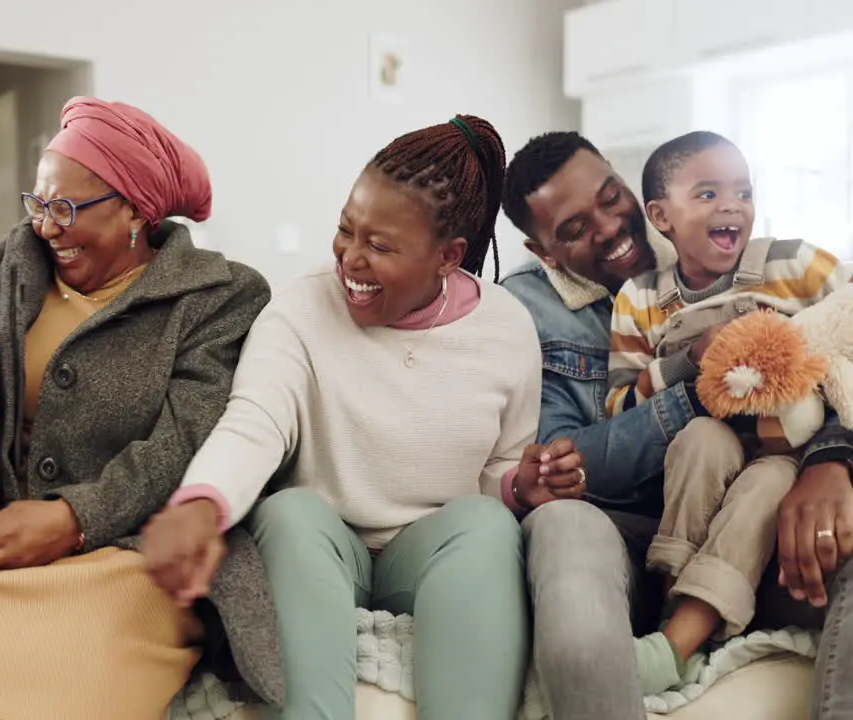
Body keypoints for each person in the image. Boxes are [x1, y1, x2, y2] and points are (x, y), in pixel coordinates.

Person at [142, 115, 584, 720]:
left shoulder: (505, 328)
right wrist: (200, 503)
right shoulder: (300, 308)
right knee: (291, 511)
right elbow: (255, 421)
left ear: (448, 257)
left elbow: (499, 469)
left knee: (486, 525)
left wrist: (520, 485)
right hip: (324, 547)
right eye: (346, 231)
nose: (351, 258)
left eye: (379, 245)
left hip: (429, 552)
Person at [0, 96, 275, 720]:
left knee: (82, 674)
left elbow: (185, 440)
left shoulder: (218, 296)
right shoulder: (17, 259)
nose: (46, 226)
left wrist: (70, 520)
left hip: (130, 552)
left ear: (136, 211)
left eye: (64, 208)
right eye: (37, 203)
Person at [501, 130, 853, 720]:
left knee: (783, 490)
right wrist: (703, 380)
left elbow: (831, 339)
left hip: (775, 477)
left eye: (612, 198)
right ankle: (675, 627)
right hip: (647, 519)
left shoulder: (753, 255)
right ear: (544, 252)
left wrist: (830, 459)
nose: (610, 227)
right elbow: (574, 455)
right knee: (687, 450)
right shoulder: (539, 310)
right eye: (573, 228)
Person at [606, 131, 851, 694]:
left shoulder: (794, 261)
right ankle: (674, 609)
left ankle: (679, 642)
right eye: (709, 193)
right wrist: (690, 359)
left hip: (783, 445)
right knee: (699, 441)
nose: (732, 206)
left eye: (742, 190)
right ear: (661, 216)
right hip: (697, 440)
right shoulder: (638, 299)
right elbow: (619, 410)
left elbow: (849, 324)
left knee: (764, 486)